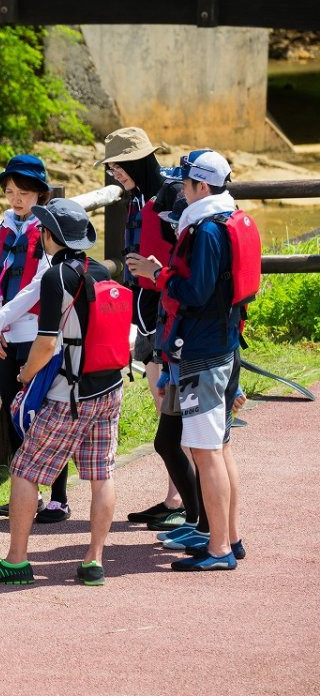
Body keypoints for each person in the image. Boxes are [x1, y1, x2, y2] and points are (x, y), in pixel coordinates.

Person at [0, 199, 127, 586]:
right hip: (109, 387)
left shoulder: (58, 277)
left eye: (42, 229)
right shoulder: (98, 269)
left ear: (51, 235)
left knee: (24, 470)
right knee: (100, 473)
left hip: (70, 394)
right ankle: (93, 561)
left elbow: (45, 343)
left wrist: (26, 373)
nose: (38, 234)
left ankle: (17, 562)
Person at [127, 150, 257, 571]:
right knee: (219, 448)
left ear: (202, 186)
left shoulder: (205, 230)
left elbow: (194, 292)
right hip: (223, 346)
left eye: (185, 183)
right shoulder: (227, 218)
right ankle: (228, 538)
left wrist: (157, 273)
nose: (181, 190)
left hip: (202, 352)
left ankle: (218, 548)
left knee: (205, 451)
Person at [97, 127, 193, 530]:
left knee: (176, 412)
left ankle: (189, 503)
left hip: (171, 314)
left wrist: (156, 272)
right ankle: (176, 498)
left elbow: (186, 257)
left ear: (137, 161)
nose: (115, 173)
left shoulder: (171, 196)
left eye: (118, 165)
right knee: (162, 405)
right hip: (148, 312)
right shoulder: (139, 196)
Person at [0, 154, 70, 522]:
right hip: (2, 336)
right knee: (13, 413)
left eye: (25, 193)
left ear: (40, 194)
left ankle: (58, 497)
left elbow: (36, 286)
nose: (17, 199)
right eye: (11, 192)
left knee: (45, 412)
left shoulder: (48, 232)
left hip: (35, 333)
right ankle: (23, 494)